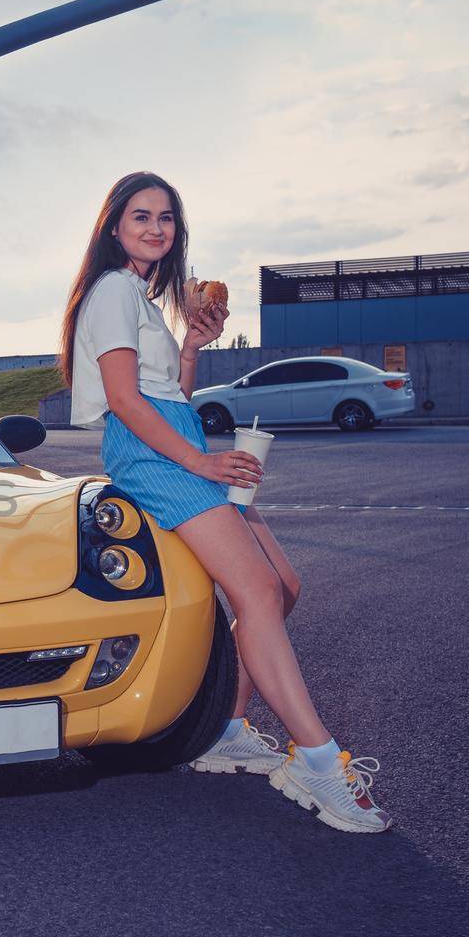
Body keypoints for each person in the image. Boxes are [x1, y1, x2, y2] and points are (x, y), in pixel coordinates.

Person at [60, 170, 390, 834]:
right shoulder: (112, 291)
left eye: (166, 218)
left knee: (282, 585)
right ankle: (319, 762)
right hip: (155, 453)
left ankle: (227, 729)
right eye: (141, 216)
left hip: (176, 437)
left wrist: (190, 347)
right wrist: (201, 460)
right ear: (113, 226)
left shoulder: (141, 296)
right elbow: (126, 401)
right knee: (258, 593)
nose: (156, 228)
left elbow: (168, 390)